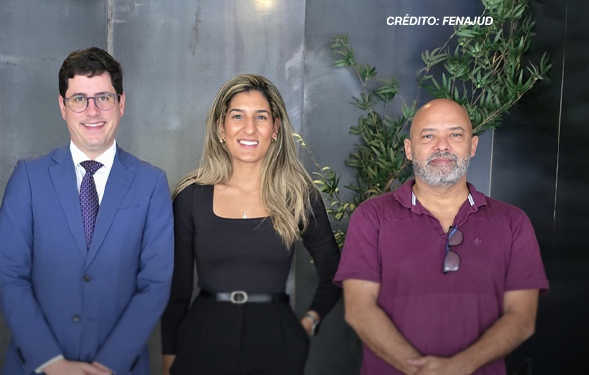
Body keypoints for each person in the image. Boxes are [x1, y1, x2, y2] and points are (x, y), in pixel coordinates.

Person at [335, 98, 549, 375]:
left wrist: (459, 367)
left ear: (472, 146)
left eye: (455, 134)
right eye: (429, 135)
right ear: (409, 150)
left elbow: (521, 318)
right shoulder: (371, 217)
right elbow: (359, 310)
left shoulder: (513, 223)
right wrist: (421, 371)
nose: (442, 145)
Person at [0, 47, 174, 375]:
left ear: (121, 103)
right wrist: (52, 362)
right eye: (79, 99)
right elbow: (10, 276)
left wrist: (108, 365)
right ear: (63, 106)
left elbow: (155, 284)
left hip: (120, 367)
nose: (92, 111)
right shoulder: (29, 177)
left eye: (103, 97)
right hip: (36, 366)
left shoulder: (151, 183)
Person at [160, 74, 342, 375]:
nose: (249, 128)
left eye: (261, 117)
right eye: (237, 116)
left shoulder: (297, 195)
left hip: (277, 343)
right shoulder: (190, 197)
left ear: (275, 129)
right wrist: (169, 360)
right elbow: (177, 291)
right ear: (221, 128)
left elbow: (334, 270)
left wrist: (308, 323)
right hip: (201, 340)